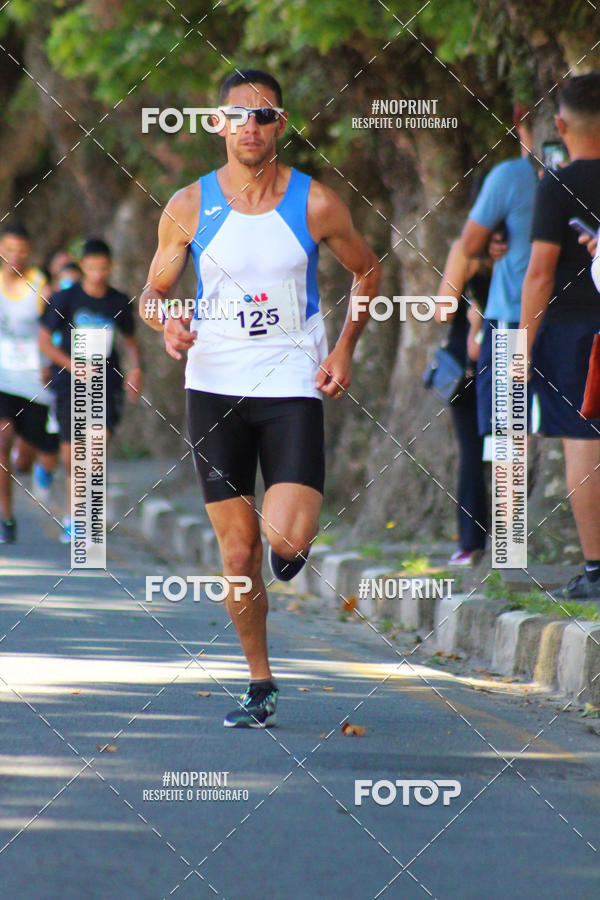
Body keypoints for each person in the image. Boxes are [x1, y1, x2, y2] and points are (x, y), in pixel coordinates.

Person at [139, 69, 380, 728]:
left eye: (266, 115)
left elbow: (368, 270)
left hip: (291, 386)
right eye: (239, 115)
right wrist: (168, 321)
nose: (252, 126)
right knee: (238, 553)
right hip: (213, 389)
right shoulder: (188, 206)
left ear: (282, 124)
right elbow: (152, 294)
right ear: (217, 123)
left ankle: (291, 545)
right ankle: (259, 681)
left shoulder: (315, 203)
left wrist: (344, 348)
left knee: (285, 540)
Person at [520, 73, 600, 599]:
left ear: (559, 124)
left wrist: (522, 347)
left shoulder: (557, 184)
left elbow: (540, 274)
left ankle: (596, 569)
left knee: (583, 440)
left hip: (574, 331)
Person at [39, 238, 143, 542]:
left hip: (106, 385)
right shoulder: (65, 299)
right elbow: (44, 340)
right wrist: (70, 364)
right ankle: (73, 518)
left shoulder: (119, 301)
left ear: (110, 267)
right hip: (70, 384)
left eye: (103, 268)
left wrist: (136, 370)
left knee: (93, 452)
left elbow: (131, 342)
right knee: (73, 458)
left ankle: (82, 518)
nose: (98, 274)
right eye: (92, 268)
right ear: (83, 267)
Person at [460, 106, 538, 441]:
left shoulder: (510, 176)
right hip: (572, 321)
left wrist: (491, 234)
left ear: (520, 123)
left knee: (508, 445)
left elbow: (469, 244)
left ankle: (509, 496)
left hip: (511, 320)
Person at [436, 227, 507, 566]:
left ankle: (484, 543)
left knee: (487, 451)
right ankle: (488, 543)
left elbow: (442, 311)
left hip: (489, 361)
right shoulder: (469, 250)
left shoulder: (469, 249)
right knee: (490, 450)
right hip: (487, 362)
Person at [0, 223, 59, 542]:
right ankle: (6, 519)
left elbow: (53, 330)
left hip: (34, 381)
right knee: (2, 439)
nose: (15, 257)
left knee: (23, 459)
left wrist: (52, 362)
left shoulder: (40, 286)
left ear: (29, 253)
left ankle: (31, 467)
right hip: (2, 379)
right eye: (9, 250)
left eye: (21, 251)